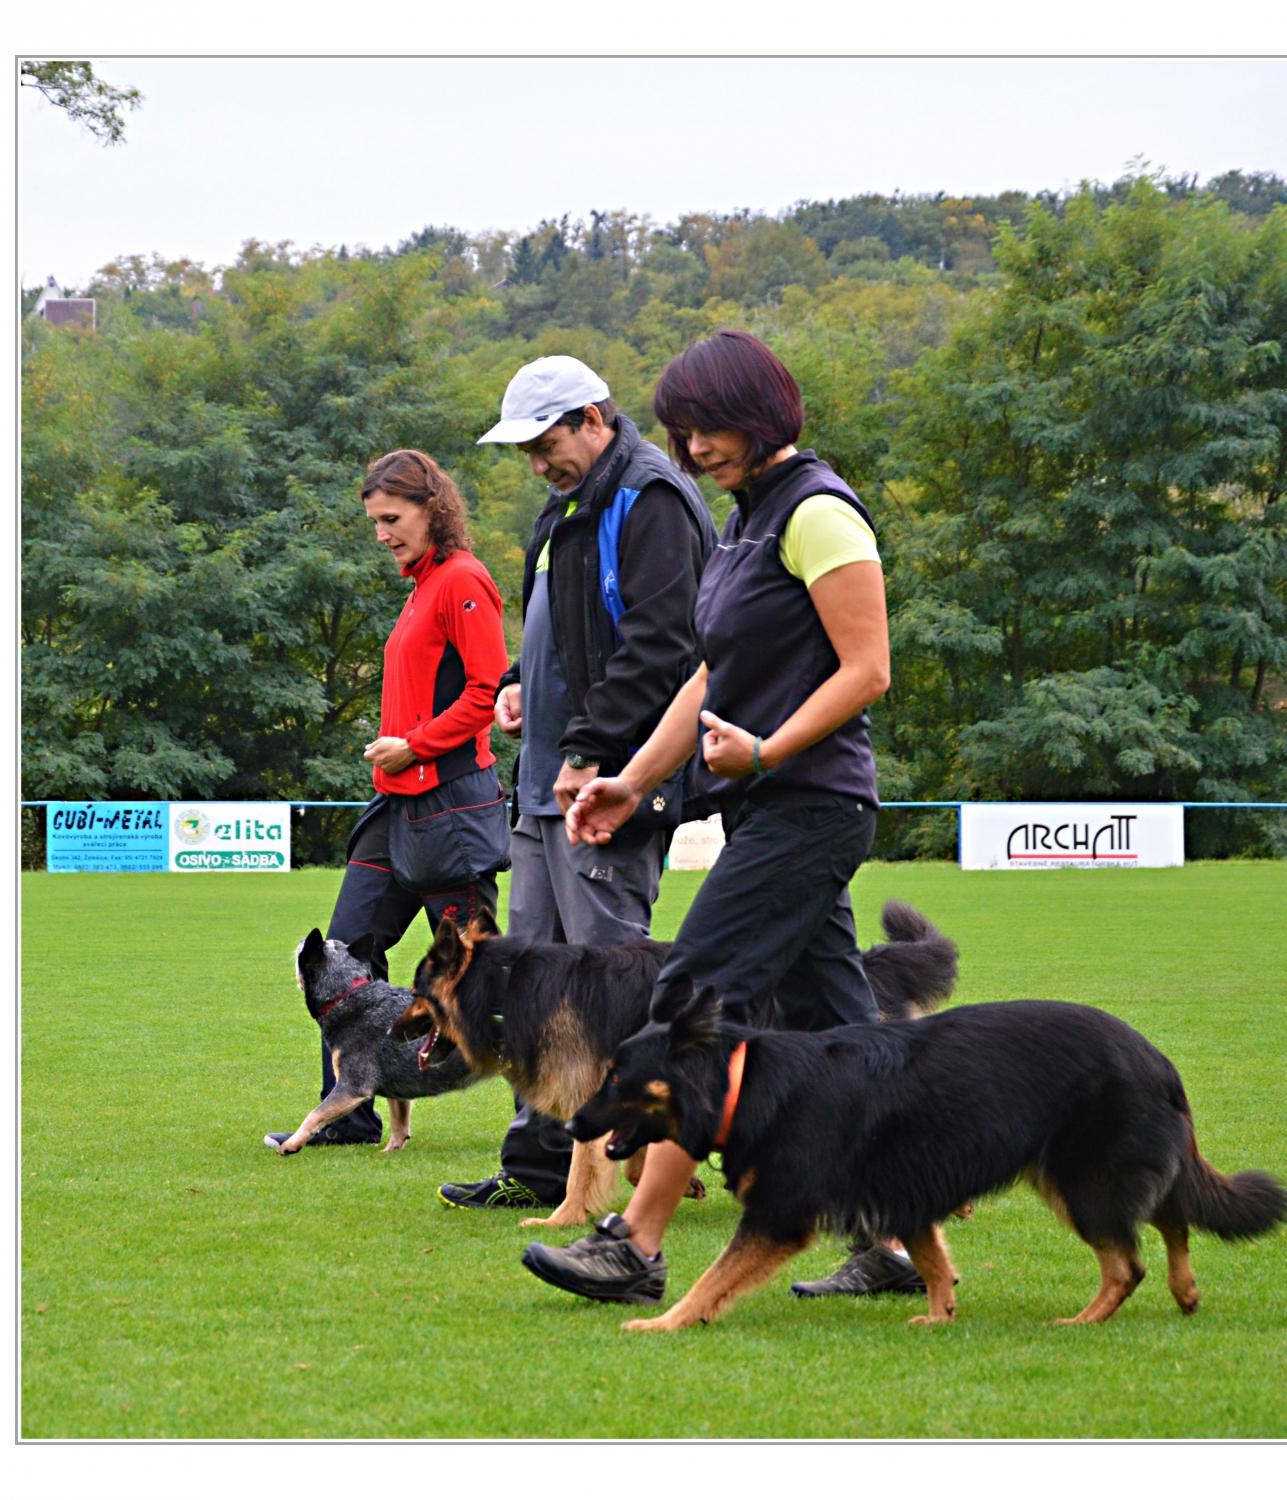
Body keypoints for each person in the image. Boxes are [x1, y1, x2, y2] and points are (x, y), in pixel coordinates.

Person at [522, 329, 922, 1304]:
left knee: (693, 1003)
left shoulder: (819, 512)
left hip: (811, 804)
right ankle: (896, 1242)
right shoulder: (745, 522)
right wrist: (630, 780)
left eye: (710, 428)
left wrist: (769, 750)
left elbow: (869, 668)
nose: (696, 448)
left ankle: (635, 1244)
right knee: (843, 1034)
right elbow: (709, 674)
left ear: (762, 412)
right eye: (684, 432)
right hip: (766, 806)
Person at [433, 355, 716, 1209]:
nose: (535, 465)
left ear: (593, 418)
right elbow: (566, 627)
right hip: (543, 782)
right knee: (521, 985)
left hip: (607, 783)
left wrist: (589, 748)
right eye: (524, 451)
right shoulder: (568, 504)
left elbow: (665, 643)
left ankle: (646, 1173)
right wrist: (521, 679)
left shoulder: (651, 497)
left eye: (543, 444)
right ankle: (535, 1168)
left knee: (610, 997)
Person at [263, 449, 510, 1150]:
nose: (381, 534)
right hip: (395, 807)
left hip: (451, 810)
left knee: (475, 975)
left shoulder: (463, 580)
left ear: (433, 509)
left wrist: (417, 745)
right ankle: (350, 1113)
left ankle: (547, 1125)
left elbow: (487, 693)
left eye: (392, 518)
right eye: (375, 521)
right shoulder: (421, 585)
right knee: (344, 950)